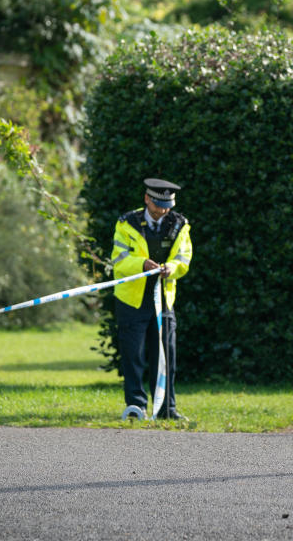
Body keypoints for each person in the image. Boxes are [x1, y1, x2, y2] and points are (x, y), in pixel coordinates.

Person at [111, 178, 193, 419]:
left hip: (164, 300)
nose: (163, 210)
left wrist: (172, 268)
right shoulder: (127, 223)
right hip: (131, 301)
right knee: (133, 355)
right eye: (158, 204)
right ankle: (136, 408)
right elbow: (119, 260)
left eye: (167, 205)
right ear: (147, 199)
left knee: (166, 355)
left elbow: (184, 259)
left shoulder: (180, 224)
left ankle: (167, 409)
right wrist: (142, 265)